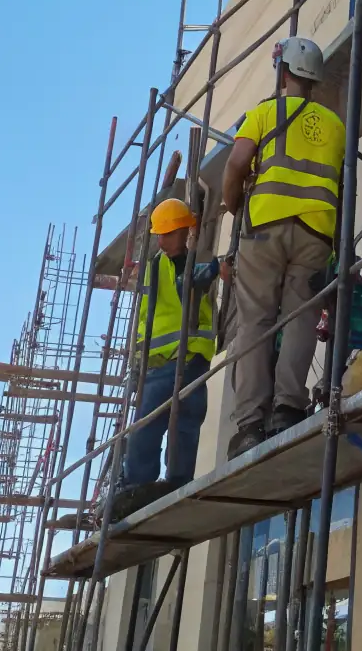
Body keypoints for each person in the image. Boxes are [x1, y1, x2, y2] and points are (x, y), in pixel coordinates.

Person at [222, 37, 346, 459]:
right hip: (315, 233)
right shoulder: (334, 126)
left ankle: (250, 426)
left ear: (284, 71)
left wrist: (234, 204)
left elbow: (236, 165)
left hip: (264, 229)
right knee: (299, 319)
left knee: (255, 322)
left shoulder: (263, 113)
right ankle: (287, 411)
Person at [117, 196, 220, 507]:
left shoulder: (191, 261)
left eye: (168, 234)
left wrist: (217, 267)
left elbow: (192, 278)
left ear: (184, 232)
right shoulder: (155, 267)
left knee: (186, 424)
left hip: (192, 360)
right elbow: (153, 310)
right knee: (146, 427)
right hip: (160, 362)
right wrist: (138, 361)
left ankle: (178, 483)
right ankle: (136, 485)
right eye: (159, 235)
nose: (162, 241)